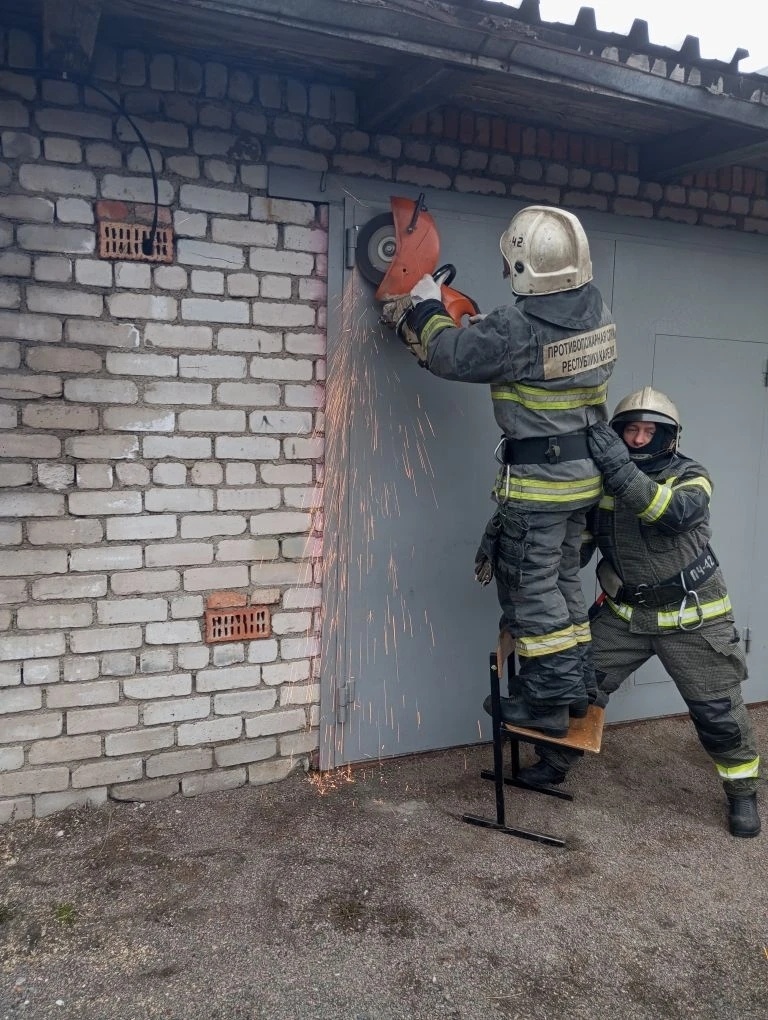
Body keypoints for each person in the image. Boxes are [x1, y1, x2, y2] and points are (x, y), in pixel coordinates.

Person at [384, 205, 617, 737]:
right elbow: (527, 348)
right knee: (561, 584)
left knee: (528, 589)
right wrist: (486, 323)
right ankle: (577, 689)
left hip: (538, 488)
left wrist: (425, 309)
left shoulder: (516, 328)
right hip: (582, 482)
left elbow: (449, 355)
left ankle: (548, 705)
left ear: (522, 265)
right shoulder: (595, 311)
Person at [514, 386, 761, 838]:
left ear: (668, 436)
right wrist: (530, 570)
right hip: (624, 615)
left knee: (718, 712)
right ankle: (553, 763)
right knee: (579, 685)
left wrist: (619, 468)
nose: (640, 438)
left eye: (650, 430)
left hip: (694, 620)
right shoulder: (603, 481)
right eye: (631, 429)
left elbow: (670, 515)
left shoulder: (691, 476)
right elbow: (580, 547)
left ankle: (742, 793)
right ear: (619, 433)